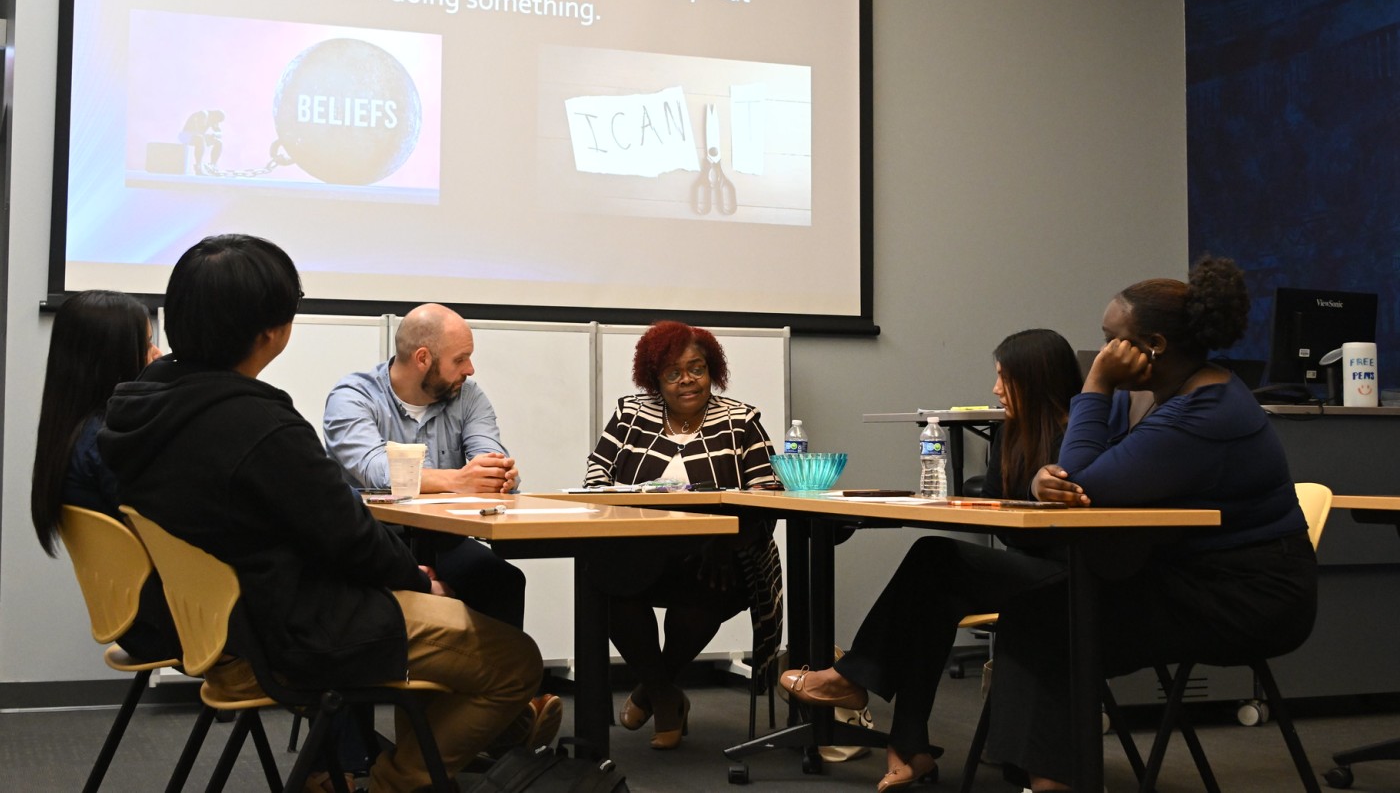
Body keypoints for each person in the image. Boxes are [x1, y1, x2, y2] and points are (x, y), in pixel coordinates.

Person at [99, 235, 543, 793]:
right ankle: (393, 782)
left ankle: (426, 749)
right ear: (272, 332)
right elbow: (347, 534)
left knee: (477, 590)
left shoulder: (135, 410)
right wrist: (416, 580)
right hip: (297, 627)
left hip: (221, 621)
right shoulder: (261, 425)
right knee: (517, 662)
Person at [987, 256, 1317, 792]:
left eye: (1110, 338)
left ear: (1154, 345)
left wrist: (1095, 382)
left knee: (1053, 620)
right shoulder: (1150, 397)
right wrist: (1041, 480)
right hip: (1183, 576)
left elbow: (1088, 488)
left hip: (1248, 596)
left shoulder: (1209, 411)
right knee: (1040, 610)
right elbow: (1074, 471)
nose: (1104, 351)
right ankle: (1049, 777)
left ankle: (1051, 782)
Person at [779, 328, 1082, 793]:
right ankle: (910, 746)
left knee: (933, 557)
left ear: (1035, 379)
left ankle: (855, 679)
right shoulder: (1011, 434)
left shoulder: (1081, 434)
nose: (996, 389)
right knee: (934, 593)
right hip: (1027, 568)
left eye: (1005, 378)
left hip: (1072, 575)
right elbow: (1003, 524)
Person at [584, 320, 783, 750]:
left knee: (699, 600)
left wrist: (727, 540)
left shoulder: (741, 421)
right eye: (673, 373)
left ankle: (650, 691)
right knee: (608, 586)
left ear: (713, 371)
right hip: (638, 553)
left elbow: (769, 493)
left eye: (697, 368)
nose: (688, 380)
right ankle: (664, 695)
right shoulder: (630, 415)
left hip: (717, 559)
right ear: (655, 379)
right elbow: (596, 478)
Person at [323, 304, 525, 626]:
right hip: (374, 540)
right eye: (460, 359)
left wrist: (498, 475)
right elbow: (378, 471)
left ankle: (495, 676)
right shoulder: (354, 397)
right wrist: (459, 480)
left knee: (501, 581)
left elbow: (490, 457)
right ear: (422, 359)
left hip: (445, 538)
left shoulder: (468, 396)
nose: (470, 369)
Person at [30, 289, 175, 661]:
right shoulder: (109, 443)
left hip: (138, 624)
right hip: (173, 625)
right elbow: (174, 535)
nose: (157, 354)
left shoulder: (73, 433)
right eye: (146, 344)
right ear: (111, 359)